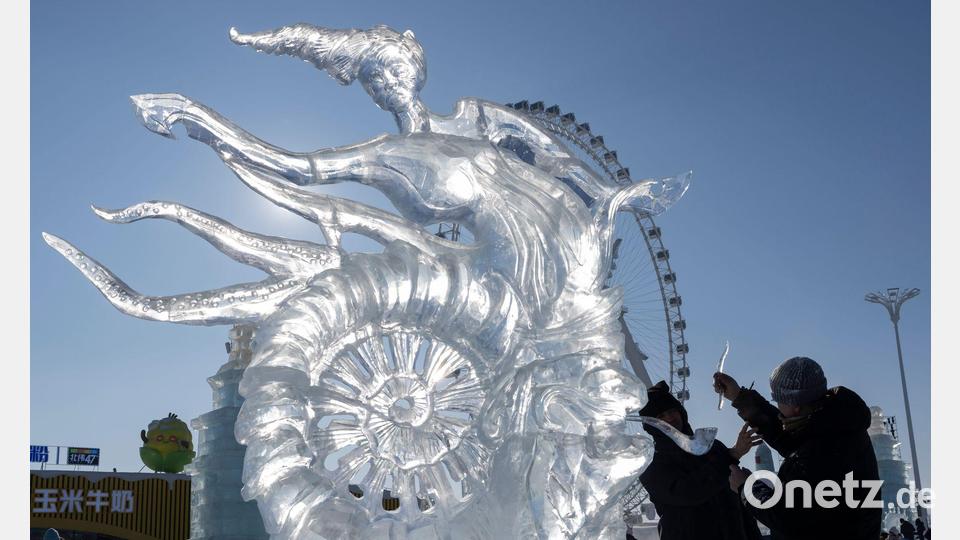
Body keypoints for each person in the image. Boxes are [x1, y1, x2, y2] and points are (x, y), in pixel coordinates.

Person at [714, 356, 881, 540]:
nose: (777, 406)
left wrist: (746, 487)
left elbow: (789, 519)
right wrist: (739, 396)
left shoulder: (824, 450)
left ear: (795, 406)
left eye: (778, 399)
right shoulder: (834, 424)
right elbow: (787, 436)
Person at [637, 380, 763, 540]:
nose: (669, 418)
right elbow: (688, 492)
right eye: (660, 416)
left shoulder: (712, 446)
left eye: (672, 411)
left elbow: (738, 502)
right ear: (651, 424)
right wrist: (731, 456)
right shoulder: (651, 463)